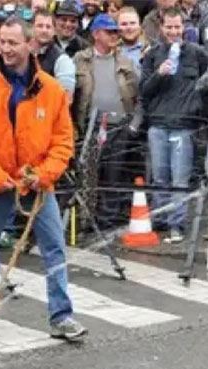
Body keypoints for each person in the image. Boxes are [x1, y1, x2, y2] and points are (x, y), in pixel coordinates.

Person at [0, 14, 87, 341]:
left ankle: (61, 315)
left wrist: (42, 175)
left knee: (55, 248)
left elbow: (63, 142)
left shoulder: (53, 90)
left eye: (13, 43)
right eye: (2, 42)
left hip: (37, 184)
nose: (6, 49)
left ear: (30, 44)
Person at [140, 7, 207, 241]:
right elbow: (143, 91)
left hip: (184, 125)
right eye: (169, 27)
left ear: (184, 27)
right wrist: (158, 74)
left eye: (177, 27)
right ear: (162, 28)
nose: (173, 31)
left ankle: (176, 225)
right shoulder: (152, 54)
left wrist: (197, 105)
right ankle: (160, 220)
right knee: (159, 177)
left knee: (180, 178)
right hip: (157, 124)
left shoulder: (198, 54)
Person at [72, 14, 139, 229]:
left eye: (115, 32)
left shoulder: (125, 61)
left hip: (118, 125)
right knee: (90, 173)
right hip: (91, 125)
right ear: (95, 34)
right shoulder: (80, 60)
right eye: (109, 32)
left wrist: (132, 124)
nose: (114, 36)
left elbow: (138, 95)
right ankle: (87, 218)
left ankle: (107, 219)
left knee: (114, 173)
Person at [31, 6, 76, 95]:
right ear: (32, 28)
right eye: (40, 26)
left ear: (54, 31)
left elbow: (66, 97)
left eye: (48, 27)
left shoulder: (62, 60)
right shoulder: (24, 53)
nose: (44, 30)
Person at [117, 3, 150, 68]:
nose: (129, 27)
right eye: (124, 24)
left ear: (140, 26)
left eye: (132, 23)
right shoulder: (111, 50)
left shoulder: (152, 49)